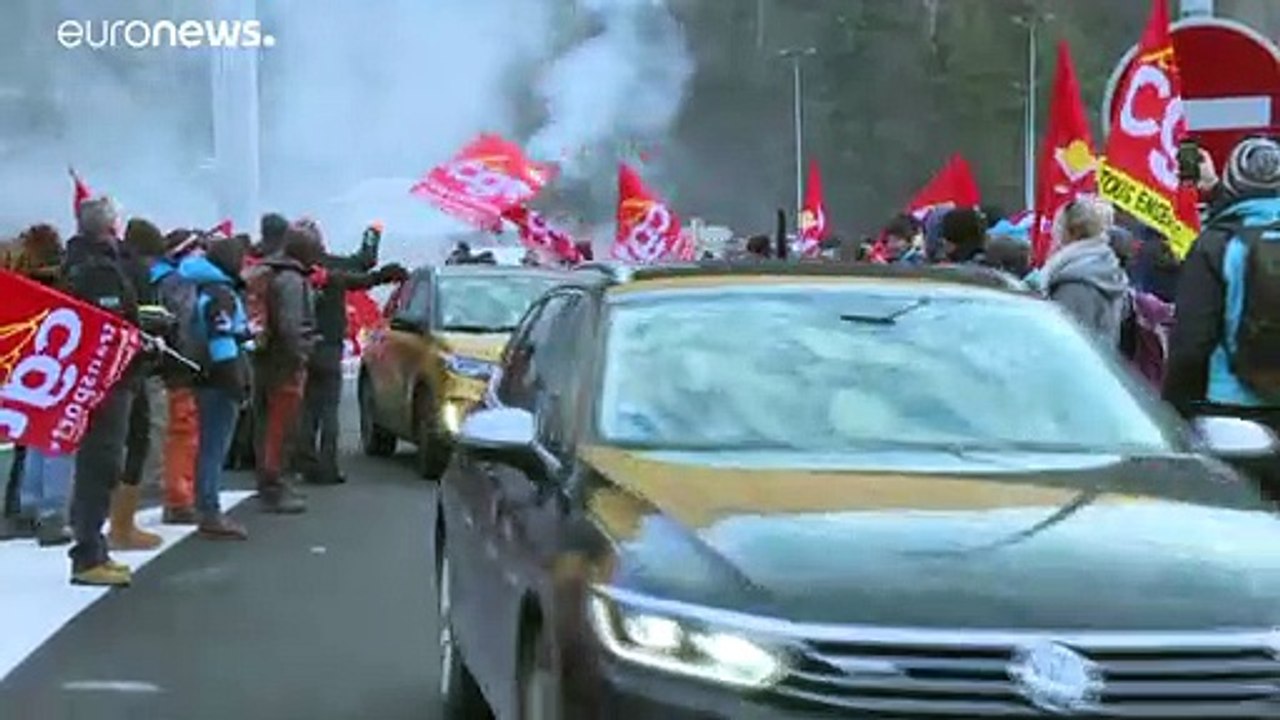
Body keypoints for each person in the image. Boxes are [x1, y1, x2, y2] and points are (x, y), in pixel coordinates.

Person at [63, 198, 152, 585]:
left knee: (102, 463)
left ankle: (95, 546)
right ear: (109, 226)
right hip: (108, 381)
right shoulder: (97, 270)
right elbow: (109, 324)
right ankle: (87, 555)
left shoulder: (86, 262)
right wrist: (141, 336)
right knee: (99, 464)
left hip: (107, 379)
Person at [1164, 136, 1280, 426]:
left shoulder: (1215, 244)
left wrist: (1174, 410)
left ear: (1231, 180)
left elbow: (1191, 345)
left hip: (1231, 410)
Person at [298, 259, 406, 485]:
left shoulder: (294, 279)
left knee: (308, 409)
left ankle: (305, 463)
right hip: (329, 349)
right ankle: (328, 467)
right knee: (329, 410)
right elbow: (364, 281)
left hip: (304, 349)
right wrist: (385, 275)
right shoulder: (335, 279)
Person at [3, 225, 72, 546]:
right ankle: (53, 514)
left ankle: (24, 508)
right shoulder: (64, 283)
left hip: (20, 369)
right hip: (56, 368)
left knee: (30, 438)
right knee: (54, 437)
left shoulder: (17, 283)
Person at [182, 236, 252, 538]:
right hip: (219, 379)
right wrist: (237, 384)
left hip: (203, 374)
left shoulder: (201, 287)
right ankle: (209, 510)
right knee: (214, 448)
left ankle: (204, 505)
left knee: (208, 445)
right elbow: (222, 342)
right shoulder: (220, 295)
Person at [250, 220, 322, 514]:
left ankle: (270, 481)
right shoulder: (292, 280)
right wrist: (303, 352)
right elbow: (292, 327)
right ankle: (273, 485)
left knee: (268, 425)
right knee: (280, 427)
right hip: (285, 364)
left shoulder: (273, 273)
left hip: (268, 360)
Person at [106, 218, 169, 551]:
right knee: (137, 439)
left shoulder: (111, 268)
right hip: (135, 366)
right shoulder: (137, 274)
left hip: (114, 367)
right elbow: (147, 317)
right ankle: (121, 526)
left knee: (120, 440)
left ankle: (118, 522)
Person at [151, 229, 205, 524]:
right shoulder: (178, 283)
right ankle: (179, 499)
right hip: (178, 368)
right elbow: (185, 326)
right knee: (182, 433)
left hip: (152, 365)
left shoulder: (151, 276)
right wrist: (193, 363)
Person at [1038, 197, 1130, 347]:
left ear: (1072, 231)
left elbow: (1066, 343)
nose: (1054, 235)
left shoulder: (1076, 279)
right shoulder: (1105, 266)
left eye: (1058, 226)